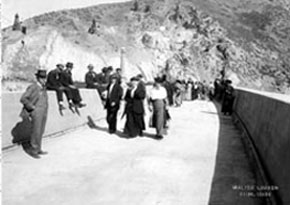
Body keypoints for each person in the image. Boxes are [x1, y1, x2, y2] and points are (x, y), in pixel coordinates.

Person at [20, 70, 48, 158]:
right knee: (36, 130)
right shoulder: (33, 87)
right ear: (38, 78)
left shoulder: (43, 87)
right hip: (36, 111)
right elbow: (23, 98)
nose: (44, 80)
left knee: (41, 130)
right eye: (42, 78)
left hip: (44, 111)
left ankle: (38, 148)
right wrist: (31, 107)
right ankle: (33, 150)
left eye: (45, 78)